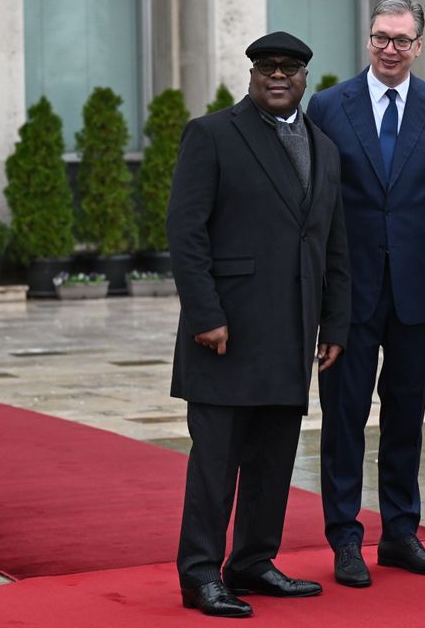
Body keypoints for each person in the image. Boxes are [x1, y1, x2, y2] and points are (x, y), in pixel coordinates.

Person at [168, 31, 351, 618]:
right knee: (216, 465)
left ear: (304, 78)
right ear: (251, 74)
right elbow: (185, 232)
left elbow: (333, 244)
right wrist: (205, 315)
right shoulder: (211, 134)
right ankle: (201, 573)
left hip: (293, 334)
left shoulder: (325, 147)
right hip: (225, 334)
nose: (278, 76)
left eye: (289, 68)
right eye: (266, 67)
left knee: (273, 462)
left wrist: (335, 324)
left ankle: (252, 561)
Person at [306, 0, 425, 588]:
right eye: (381, 37)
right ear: (369, 38)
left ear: (418, 46)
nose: (390, 48)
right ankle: (345, 538)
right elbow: (315, 204)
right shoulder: (328, 106)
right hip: (347, 295)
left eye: (402, 40)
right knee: (343, 420)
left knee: (406, 418)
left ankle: (401, 533)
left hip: (418, 294)